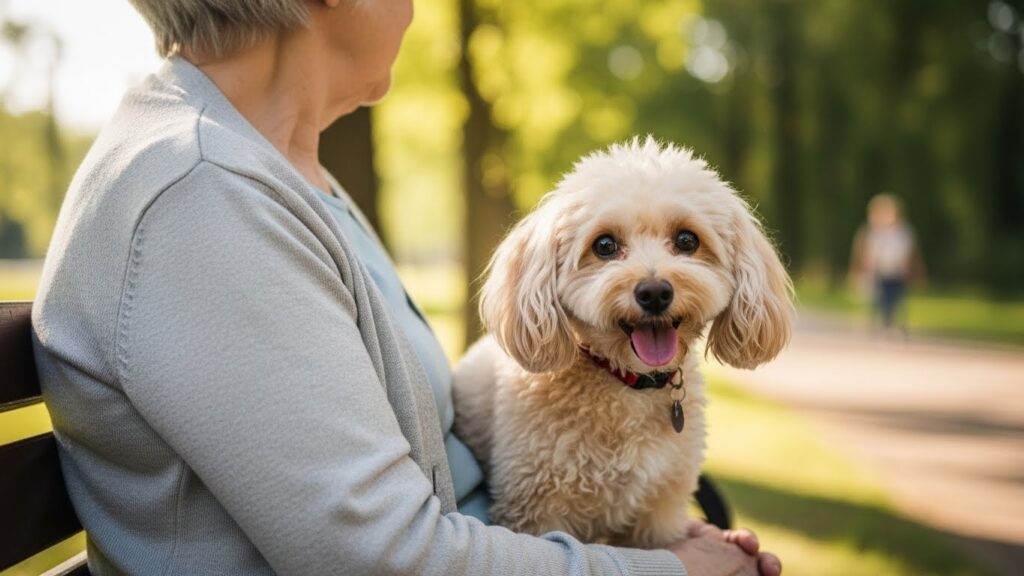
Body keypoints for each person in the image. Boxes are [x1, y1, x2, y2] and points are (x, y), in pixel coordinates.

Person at [30, 1, 782, 574]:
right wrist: (661, 571)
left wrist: (658, 535)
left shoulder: (272, 169)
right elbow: (377, 556)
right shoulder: (202, 197)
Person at [849, 193, 926, 336]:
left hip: (898, 272)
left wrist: (916, 270)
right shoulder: (871, 232)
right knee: (880, 299)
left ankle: (895, 324)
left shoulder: (904, 232)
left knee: (898, 299)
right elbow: (863, 252)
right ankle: (881, 323)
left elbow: (912, 253)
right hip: (880, 272)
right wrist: (861, 270)